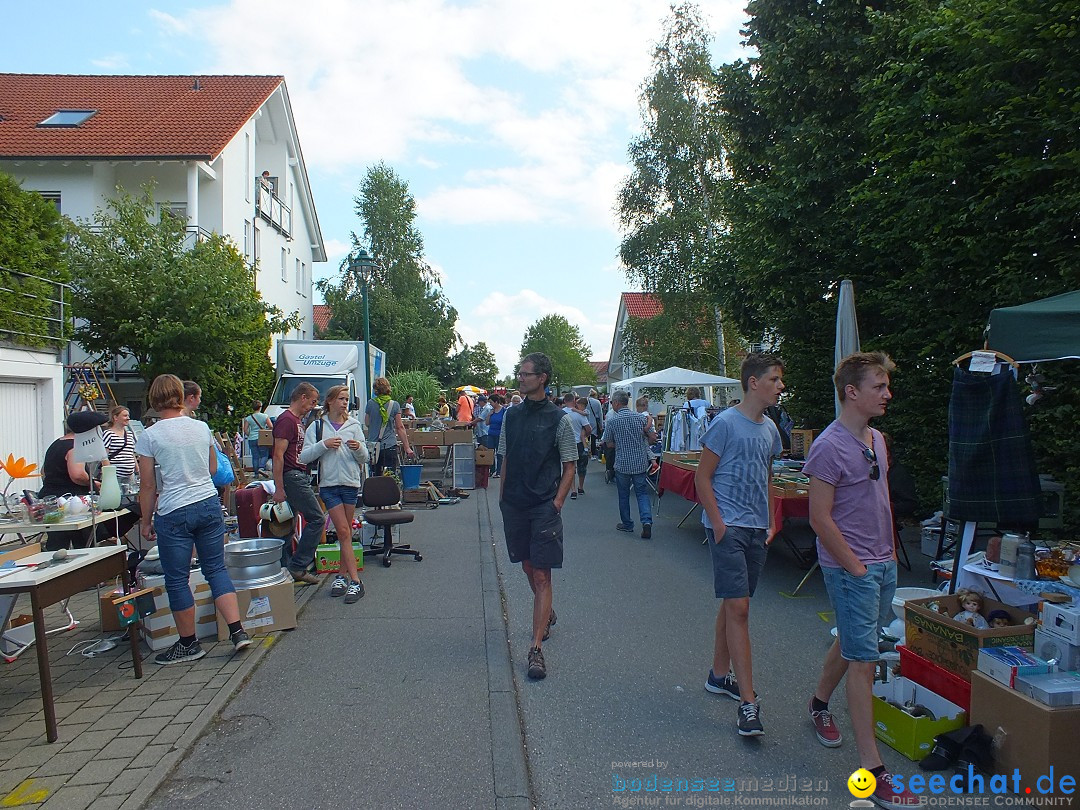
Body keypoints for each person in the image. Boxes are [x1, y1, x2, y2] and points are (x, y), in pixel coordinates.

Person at [803, 351, 919, 810]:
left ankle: (817, 704)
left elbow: (879, 500)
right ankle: (874, 771)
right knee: (864, 662)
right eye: (879, 386)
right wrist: (856, 566)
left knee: (857, 641)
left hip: (882, 563)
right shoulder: (828, 446)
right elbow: (819, 519)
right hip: (853, 569)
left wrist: (888, 554)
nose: (888, 393)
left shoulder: (877, 439)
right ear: (852, 392)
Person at [694, 352, 785, 737]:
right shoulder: (725, 424)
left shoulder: (771, 430)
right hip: (729, 527)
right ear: (753, 382)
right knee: (740, 609)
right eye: (775, 379)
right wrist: (718, 525)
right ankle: (749, 703)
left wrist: (772, 520)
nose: (781, 386)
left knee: (734, 604)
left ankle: (718, 675)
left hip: (756, 529)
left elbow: (765, 475)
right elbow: (702, 478)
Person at [135, 374, 252, 664]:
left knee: (177, 578)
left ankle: (189, 643)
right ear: (180, 395)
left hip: (174, 509)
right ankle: (237, 631)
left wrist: (146, 520)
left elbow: (147, 485)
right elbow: (213, 468)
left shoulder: (149, 436)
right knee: (216, 569)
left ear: (154, 399)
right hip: (208, 504)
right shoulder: (201, 428)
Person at [498, 352, 577, 680]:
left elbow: (570, 465)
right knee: (527, 566)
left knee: (542, 574)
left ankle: (535, 648)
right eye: (519, 373)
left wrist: (557, 501)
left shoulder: (559, 419)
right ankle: (547, 614)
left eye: (526, 374)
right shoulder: (510, 416)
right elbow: (504, 458)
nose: (520, 378)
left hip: (543, 505)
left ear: (542, 377)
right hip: (514, 504)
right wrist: (501, 499)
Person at [299, 385, 368, 604]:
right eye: (341, 398)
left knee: (344, 533)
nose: (345, 403)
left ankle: (341, 576)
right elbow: (304, 456)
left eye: (347, 399)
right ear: (330, 401)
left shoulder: (354, 426)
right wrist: (324, 444)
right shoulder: (318, 426)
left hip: (350, 483)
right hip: (329, 485)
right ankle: (356, 582)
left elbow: (365, 457)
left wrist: (358, 448)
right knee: (343, 530)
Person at [38, 411, 140, 550]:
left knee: (57, 542)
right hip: (70, 503)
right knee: (81, 542)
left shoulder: (57, 443)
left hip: (51, 499)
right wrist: (92, 483)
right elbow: (77, 474)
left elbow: (43, 471)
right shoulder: (74, 447)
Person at [272, 381, 324, 584]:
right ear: (302, 398)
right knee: (317, 518)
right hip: (292, 475)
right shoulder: (287, 421)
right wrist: (279, 487)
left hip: (295, 474)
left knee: (288, 523)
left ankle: (284, 568)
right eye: (311, 402)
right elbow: (278, 455)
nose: (312, 406)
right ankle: (298, 565)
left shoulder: (296, 421)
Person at [602, 390, 657, 538]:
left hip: (622, 463)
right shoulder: (640, 418)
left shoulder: (612, 421)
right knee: (641, 493)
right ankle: (646, 521)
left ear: (617, 403)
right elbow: (652, 438)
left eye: (612, 402)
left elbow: (608, 442)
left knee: (624, 494)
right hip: (639, 462)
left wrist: (619, 443)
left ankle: (627, 523)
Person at [365, 377, 413, 477]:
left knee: (375, 476)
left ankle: (376, 492)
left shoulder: (370, 403)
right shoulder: (394, 405)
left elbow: (367, 423)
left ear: (375, 389)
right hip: (389, 445)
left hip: (373, 447)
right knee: (390, 477)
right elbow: (399, 427)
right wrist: (407, 447)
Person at [561, 394, 591, 499]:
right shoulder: (580, 414)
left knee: (570, 467)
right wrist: (585, 435)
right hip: (579, 443)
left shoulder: (561, 413)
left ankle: (573, 490)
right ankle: (581, 487)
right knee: (582, 466)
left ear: (564, 401)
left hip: (567, 443)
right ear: (574, 400)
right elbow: (588, 428)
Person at [101, 406, 137, 485]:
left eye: (128, 416)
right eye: (125, 416)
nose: (128, 418)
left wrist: (137, 470)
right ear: (115, 417)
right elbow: (104, 456)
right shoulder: (108, 434)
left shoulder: (130, 435)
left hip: (130, 477)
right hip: (116, 478)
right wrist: (110, 476)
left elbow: (131, 453)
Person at [243, 400, 273, 475]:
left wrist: (249, 434)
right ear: (260, 407)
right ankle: (261, 467)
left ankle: (256, 474)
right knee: (264, 455)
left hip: (252, 438)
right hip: (262, 438)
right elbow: (271, 426)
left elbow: (245, 429)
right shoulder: (265, 416)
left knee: (255, 456)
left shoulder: (249, 418)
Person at [486, 394, 506, 477]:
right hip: (491, 433)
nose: (490, 404)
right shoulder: (491, 411)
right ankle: (492, 469)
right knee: (490, 452)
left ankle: (499, 471)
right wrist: (489, 415)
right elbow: (487, 423)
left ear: (496, 402)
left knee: (499, 453)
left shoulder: (504, 411)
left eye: (491, 402)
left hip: (499, 435)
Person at [586, 389, 604, 458]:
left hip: (586, 421)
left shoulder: (585, 401)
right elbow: (600, 413)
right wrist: (601, 425)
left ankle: (586, 451)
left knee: (586, 437)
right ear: (595, 395)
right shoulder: (597, 402)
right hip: (594, 422)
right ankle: (593, 454)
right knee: (593, 438)